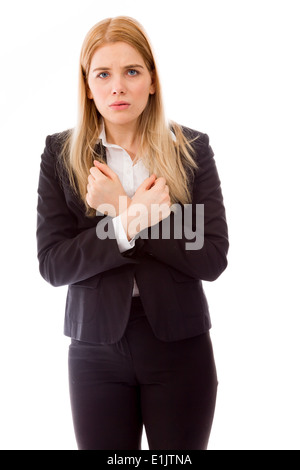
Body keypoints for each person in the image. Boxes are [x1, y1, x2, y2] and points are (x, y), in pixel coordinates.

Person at [36, 16, 229, 451]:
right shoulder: (60, 154)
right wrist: (128, 221)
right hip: (94, 350)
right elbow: (53, 263)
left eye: (132, 71)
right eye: (103, 74)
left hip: (181, 346)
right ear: (87, 85)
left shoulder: (190, 150)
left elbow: (209, 256)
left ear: (152, 81)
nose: (117, 87)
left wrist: (122, 208)